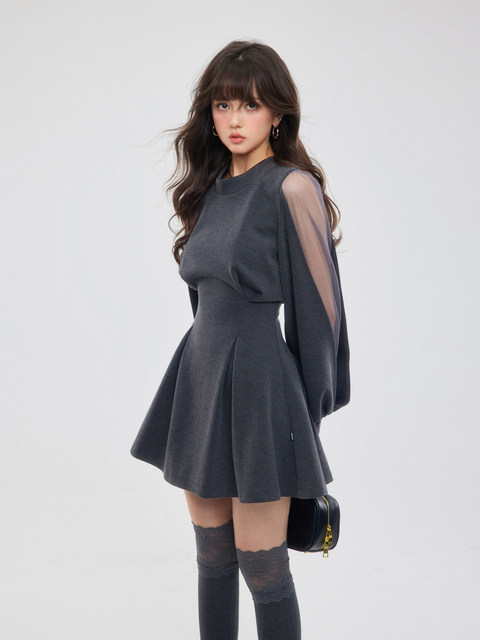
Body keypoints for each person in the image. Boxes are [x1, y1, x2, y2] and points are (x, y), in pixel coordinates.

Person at [130, 39, 351, 640]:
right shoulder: (209, 190)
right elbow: (203, 300)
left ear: (277, 114)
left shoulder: (291, 188)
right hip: (199, 379)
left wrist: (304, 419)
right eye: (223, 105)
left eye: (250, 105)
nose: (234, 119)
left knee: (263, 566)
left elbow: (322, 316)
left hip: (259, 385)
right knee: (212, 557)